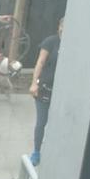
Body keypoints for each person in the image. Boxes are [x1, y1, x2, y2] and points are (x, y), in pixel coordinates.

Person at [29, 18, 62, 166]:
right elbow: (40, 62)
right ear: (58, 27)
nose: (64, 29)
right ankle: (36, 151)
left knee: (58, 123)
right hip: (44, 90)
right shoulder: (51, 42)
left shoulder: (74, 43)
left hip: (60, 93)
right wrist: (34, 83)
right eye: (62, 26)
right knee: (42, 122)